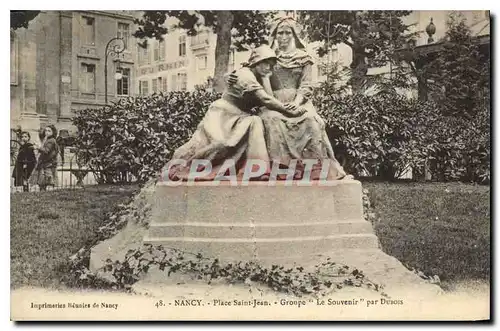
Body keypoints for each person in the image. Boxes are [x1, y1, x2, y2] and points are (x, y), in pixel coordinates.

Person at [229, 17, 352, 180]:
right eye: (280, 33)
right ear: (274, 35)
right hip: (272, 101)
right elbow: (249, 70)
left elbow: (306, 85)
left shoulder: (304, 58)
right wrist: (230, 76)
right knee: (270, 120)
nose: (284, 36)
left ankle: (314, 168)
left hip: (299, 100)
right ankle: (279, 167)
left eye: (288, 32)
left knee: (311, 121)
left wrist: (296, 103)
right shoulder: (268, 56)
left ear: (294, 35)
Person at [167, 45, 303, 181]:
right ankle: (185, 167)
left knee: (255, 122)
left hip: (241, 116)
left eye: (271, 64)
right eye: (265, 62)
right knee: (220, 144)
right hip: (222, 113)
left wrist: (266, 77)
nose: (269, 67)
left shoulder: (261, 76)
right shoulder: (245, 75)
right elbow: (266, 99)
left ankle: (257, 170)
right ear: (256, 62)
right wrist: (288, 110)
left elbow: (269, 98)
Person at [31, 125, 59, 191]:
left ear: (53, 132)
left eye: (49, 131)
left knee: (48, 177)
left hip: (48, 162)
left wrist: (37, 147)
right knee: (44, 177)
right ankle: (44, 190)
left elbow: (46, 150)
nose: (47, 132)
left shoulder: (51, 141)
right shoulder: (48, 139)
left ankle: (47, 190)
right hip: (46, 161)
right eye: (46, 130)